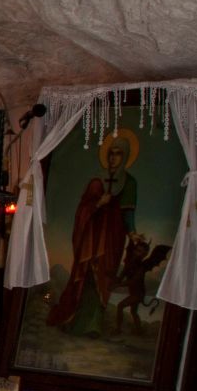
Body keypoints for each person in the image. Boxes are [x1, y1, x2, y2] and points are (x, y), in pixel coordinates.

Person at [45, 131, 138, 335]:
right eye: (111, 153)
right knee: (86, 277)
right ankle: (77, 322)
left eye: (119, 154)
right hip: (91, 240)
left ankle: (94, 325)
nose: (113, 158)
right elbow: (82, 211)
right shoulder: (97, 182)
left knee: (103, 278)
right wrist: (98, 204)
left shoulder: (129, 183)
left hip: (112, 239)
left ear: (125, 156)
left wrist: (132, 234)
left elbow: (127, 213)